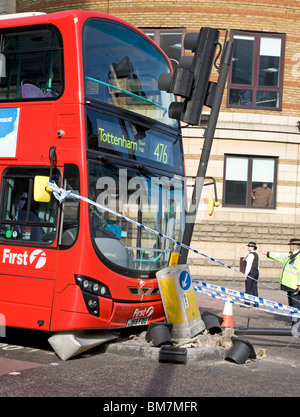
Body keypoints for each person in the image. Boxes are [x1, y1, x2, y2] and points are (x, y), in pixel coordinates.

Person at [261, 238, 300, 323]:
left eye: (290, 245)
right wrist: (267, 254)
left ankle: (297, 324)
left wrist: (299, 283)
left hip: (295, 286)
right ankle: (294, 321)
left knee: (296, 305)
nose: (289, 247)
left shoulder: (298, 258)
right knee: (291, 305)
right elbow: (280, 256)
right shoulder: (290, 256)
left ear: (293, 247)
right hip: (290, 285)